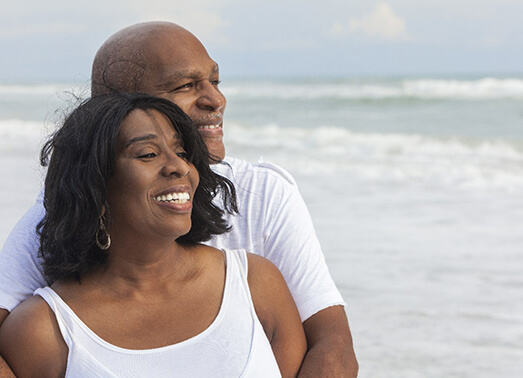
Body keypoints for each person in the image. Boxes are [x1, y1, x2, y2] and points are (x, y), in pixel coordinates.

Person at [0, 22, 358, 376]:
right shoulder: (59, 226)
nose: (216, 99)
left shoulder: (261, 203)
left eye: (215, 81)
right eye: (186, 85)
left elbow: (334, 347)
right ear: (110, 112)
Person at [0, 93, 307, 377]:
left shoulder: (255, 284)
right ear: (95, 187)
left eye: (181, 151)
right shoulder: (44, 330)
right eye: (147, 154)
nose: (178, 167)